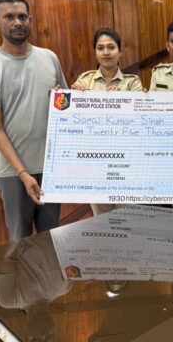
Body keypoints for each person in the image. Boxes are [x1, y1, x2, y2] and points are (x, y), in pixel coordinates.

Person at [0, 0, 67, 240]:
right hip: (13, 174)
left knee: (51, 241)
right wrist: (23, 173)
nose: (17, 22)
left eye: (22, 16)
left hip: (50, 169)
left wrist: (62, 100)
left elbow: (66, 108)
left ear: (30, 20)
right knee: (20, 244)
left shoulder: (49, 58)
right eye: (9, 17)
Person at [71, 28, 142, 216]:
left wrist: (123, 100)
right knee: (102, 219)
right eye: (100, 48)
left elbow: (139, 122)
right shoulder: (84, 81)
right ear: (95, 52)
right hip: (96, 162)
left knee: (128, 218)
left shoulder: (132, 83)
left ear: (120, 52)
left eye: (111, 47)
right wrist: (74, 99)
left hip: (126, 162)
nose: (106, 52)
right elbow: (76, 122)